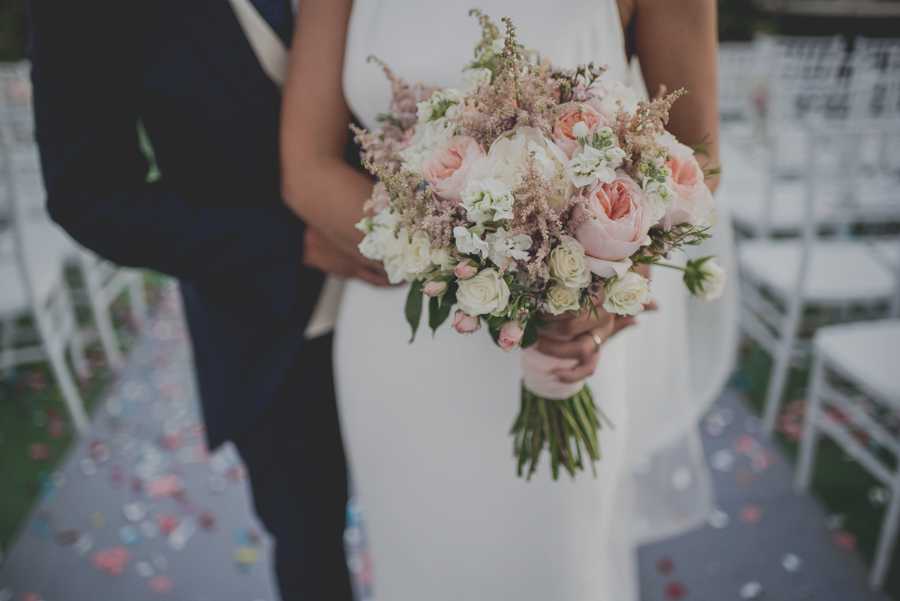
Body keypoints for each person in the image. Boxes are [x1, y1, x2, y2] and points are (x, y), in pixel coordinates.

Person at [280, 0, 736, 599]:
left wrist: (591, 288)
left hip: (564, 332)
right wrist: (459, 250)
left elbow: (694, 157)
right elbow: (305, 169)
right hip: (401, 347)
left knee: (556, 567)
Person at [26, 1, 388, 598]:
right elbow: (87, 194)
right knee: (310, 557)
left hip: (438, 314)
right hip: (265, 325)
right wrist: (289, 244)